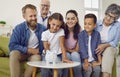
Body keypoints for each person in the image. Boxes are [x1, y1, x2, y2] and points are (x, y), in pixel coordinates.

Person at [9, 4, 46, 77]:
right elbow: (12, 45)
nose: (33, 18)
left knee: (37, 58)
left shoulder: (43, 29)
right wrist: (28, 50)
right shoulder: (18, 28)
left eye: (35, 15)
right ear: (24, 17)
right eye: (31, 16)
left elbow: (45, 47)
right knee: (13, 54)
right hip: (21, 53)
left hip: (34, 55)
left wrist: (39, 50)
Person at [41, 13, 71, 77]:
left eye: (58, 26)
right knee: (45, 69)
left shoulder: (61, 31)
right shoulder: (44, 34)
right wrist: (47, 47)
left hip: (58, 54)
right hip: (47, 54)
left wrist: (64, 57)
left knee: (59, 69)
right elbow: (46, 49)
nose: (55, 27)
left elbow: (62, 45)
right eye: (53, 24)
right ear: (49, 21)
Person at [95, 3, 120, 77]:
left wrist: (104, 46)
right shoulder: (97, 23)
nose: (109, 18)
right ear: (105, 13)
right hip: (97, 47)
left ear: (115, 19)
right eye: (108, 15)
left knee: (108, 51)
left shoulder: (117, 26)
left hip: (110, 47)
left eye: (112, 17)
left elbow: (115, 42)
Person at [64, 10, 82, 77]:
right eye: (68, 19)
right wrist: (69, 50)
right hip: (65, 52)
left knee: (75, 55)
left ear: (76, 19)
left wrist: (69, 50)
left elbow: (77, 49)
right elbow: (62, 47)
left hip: (75, 52)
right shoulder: (63, 29)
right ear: (65, 19)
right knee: (67, 55)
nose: (70, 21)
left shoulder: (80, 30)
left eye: (73, 19)